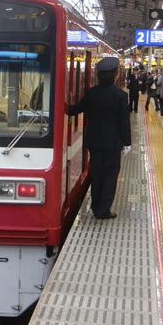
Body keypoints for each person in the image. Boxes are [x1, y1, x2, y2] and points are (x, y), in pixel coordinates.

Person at [67, 56, 131, 220]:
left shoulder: (91, 93)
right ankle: (104, 210)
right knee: (110, 176)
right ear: (116, 74)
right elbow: (124, 122)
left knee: (96, 174)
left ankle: (95, 207)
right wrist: (127, 143)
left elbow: (74, 110)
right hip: (113, 144)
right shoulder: (121, 96)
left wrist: (61, 102)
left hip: (94, 143)